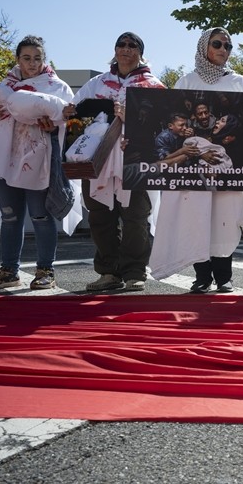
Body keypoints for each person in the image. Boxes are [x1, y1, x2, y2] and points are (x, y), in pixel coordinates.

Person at [149, 28, 243, 293]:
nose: (223, 50)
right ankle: (202, 277)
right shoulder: (186, 81)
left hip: (226, 168)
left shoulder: (240, 82)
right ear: (203, 47)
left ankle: (224, 277)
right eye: (217, 44)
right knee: (196, 220)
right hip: (193, 170)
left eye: (228, 46)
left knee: (225, 221)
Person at [0, 36, 73, 290]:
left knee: (40, 215)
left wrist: (53, 127)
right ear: (18, 59)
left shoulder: (57, 87)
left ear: (44, 60)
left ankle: (46, 270)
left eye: (37, 58)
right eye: (26, 58)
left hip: (37, 160)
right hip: (3, 160)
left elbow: (69, 123)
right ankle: (9, 271)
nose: (32, 63)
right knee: (10, 217)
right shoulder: (3, 87)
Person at [64, 32, 166, 292]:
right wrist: (70, 111)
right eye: (122, 44)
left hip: (135, 160)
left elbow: (166, 123)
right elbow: (74, 112)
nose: (126, 49)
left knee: (135, 217)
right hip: (97, 159)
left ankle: (134, 272)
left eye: (133, 45)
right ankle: (108, 272)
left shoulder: (153, 85)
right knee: (100, 216)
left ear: (141, 53)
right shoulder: (97, 83)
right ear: (115, 49)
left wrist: (134, 116)